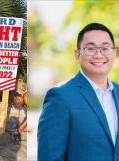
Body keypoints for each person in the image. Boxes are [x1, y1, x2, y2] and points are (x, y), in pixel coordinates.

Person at [38, 23, 119, 161]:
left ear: (114, 53)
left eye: (105, 48)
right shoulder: (60, 98)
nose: (98, 55)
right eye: (90, 48)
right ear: (77, 54)